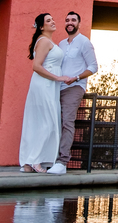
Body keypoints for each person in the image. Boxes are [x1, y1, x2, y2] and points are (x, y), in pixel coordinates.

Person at [18, 13, 75, 173]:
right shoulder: (43, 41)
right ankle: (35, 160)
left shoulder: (48, 41)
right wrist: (58, 78)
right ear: (42, 27)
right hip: (44, 85)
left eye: (52, 19)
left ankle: (29, 162)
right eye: (48, 20)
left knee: (41, 122)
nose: (53, 22)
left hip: (48, 86)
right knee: (47, 122)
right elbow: (36, 66)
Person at [49, 10, 98, 175]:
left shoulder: (84, 42)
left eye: (73, 20)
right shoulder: (62, 44)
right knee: (54, 122)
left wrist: (76, 78)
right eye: (67, 20)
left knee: (67, 122)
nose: (70, 22)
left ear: (79, 23)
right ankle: (50, 158)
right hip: (59, 87)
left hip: (74, 87)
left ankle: (62, 162)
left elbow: (93, 67)